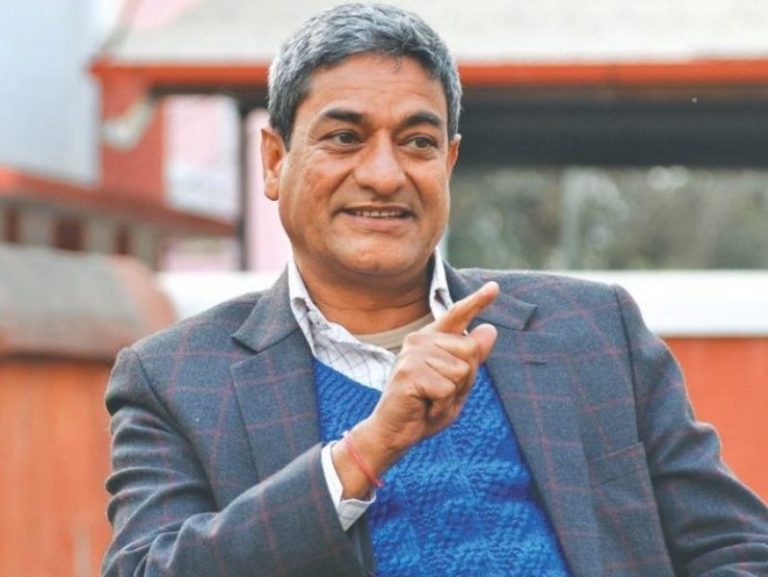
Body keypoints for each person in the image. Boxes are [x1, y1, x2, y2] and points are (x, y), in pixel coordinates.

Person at [102, 3, 768, 576]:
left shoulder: (593, 330)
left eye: (417, 142)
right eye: (345, 137)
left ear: (447, 162)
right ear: (275, 161)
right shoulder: (177, 379)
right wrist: (366, 450)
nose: (385, 174)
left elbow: (738, 548)